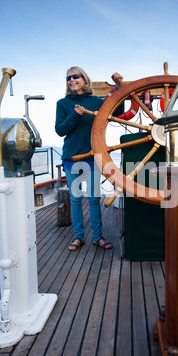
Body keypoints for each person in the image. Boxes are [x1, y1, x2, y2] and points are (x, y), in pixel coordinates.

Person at [55, 66, 124, 251]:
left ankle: (97, 237)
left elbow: (117, 110)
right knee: (76, 199)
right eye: (69, 77)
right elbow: (60, 130)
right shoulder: (62, 103)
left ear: (84, 80)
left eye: (76, 76)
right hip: (71, 157)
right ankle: (79, 237)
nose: (72, 80)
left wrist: (118, 86)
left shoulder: (96, 101)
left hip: (93, 157)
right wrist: (75, 115)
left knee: (94, 199)